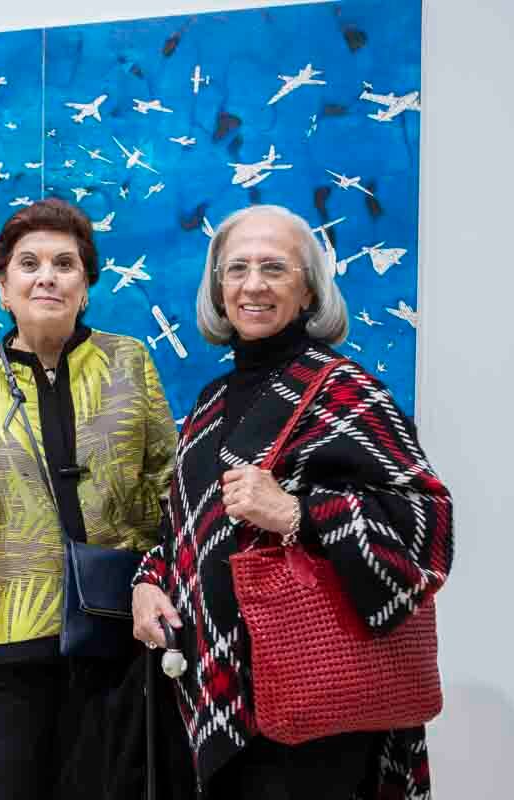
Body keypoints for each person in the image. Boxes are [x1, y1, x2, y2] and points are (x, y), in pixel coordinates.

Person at [131, 205, 454, 799]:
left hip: (317, 698)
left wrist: (299, 514)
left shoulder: (346, 389)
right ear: (218, 288)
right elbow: (184, 527)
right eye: (237, 269)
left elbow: (427, 522)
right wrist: (150, 582)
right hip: (217, 695)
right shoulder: (210, 402)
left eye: (274, 268)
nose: (253, 285)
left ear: (309, 291)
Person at [0, 198, 178, 800]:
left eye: (64, 264)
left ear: (86, 287)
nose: (47, 277)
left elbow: (168, 484)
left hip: (114, 638)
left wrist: (166, 584)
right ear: (3, 287)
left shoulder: (130, 361)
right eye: (28, 264)